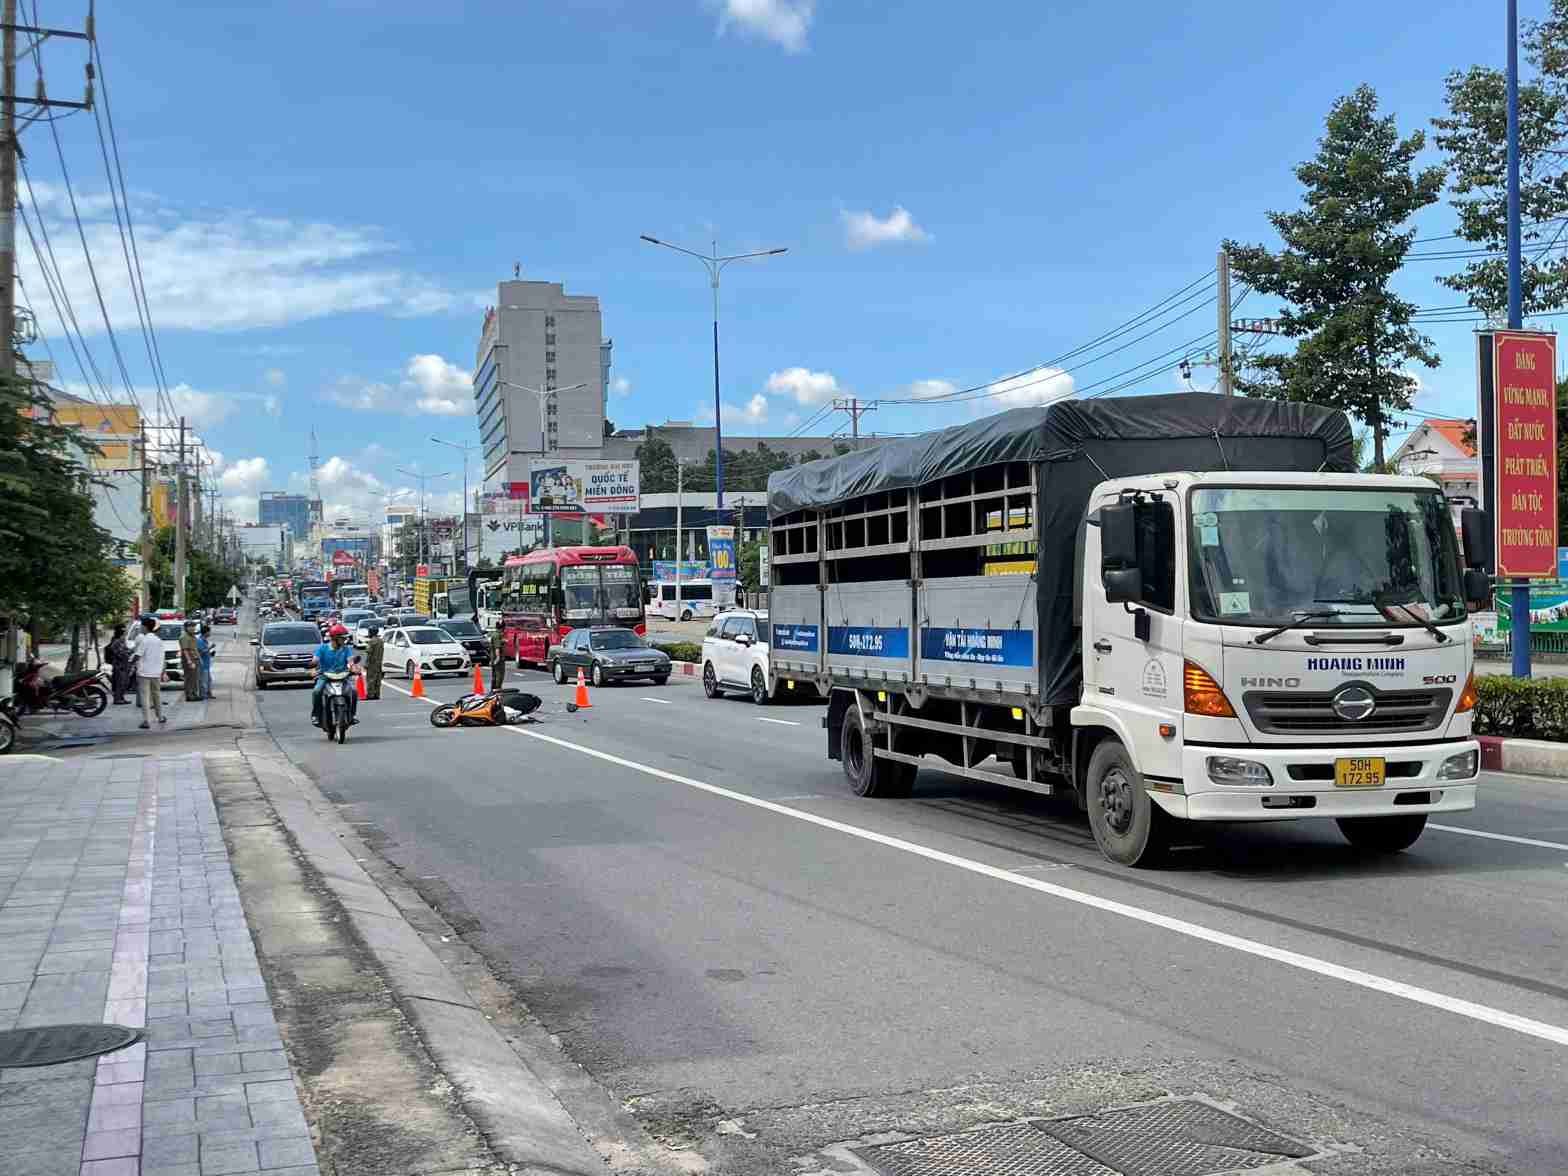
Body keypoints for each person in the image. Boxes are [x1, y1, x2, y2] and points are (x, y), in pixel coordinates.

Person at [310, 623, 362, 727]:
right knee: (316, 691)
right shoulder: (322, 648)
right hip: (325, 676)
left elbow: (350, 661)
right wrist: (313, 667)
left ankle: (352, 715)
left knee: (354, 691)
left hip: (343, 676)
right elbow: (315, 660)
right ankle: (315, 715)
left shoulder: (345, 649)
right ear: (335, 638)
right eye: (342, 638)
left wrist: (354, 668)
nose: (344, 640)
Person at [130, 616, 167, 729]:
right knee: (157, 695)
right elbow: (162, 658)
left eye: (142, 626)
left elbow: (138, 655)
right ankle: (160, 717)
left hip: (144, 673)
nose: (141, 628)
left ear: (145, 627)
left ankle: (146, 721)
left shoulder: (145, 640)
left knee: (145, 697)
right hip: (156, 672)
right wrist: (162, 671)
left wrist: (131, 663)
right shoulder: (159, 640)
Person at [105, 623, 134, 705]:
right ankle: (117, 699)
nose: (125, 631)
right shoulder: (117, 640)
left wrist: (130, 651)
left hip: (123, 664)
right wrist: (128, 653)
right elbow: (119, 652)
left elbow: (124, 649)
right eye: (124, 629)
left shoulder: (120, 639)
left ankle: (121, 697)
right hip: (119, 665)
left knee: (124, 682)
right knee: (119, 682)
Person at [179, 620, 201, 701]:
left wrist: (199, 659)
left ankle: (194, 694)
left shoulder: (192, 636)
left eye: (193, 626)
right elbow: (185, 650)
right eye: (190, 627)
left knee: (194, 678)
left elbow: (195, 649)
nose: (192, 628)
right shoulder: (184, 637)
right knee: (189, 678)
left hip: (195, 658)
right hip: (189, 660)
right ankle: (189, 695)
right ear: (185, 628)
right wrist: (189, 661)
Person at [363, 625, 384, 700]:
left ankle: (370, 695)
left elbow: (369, 653)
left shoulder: (371, 641)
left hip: (372, 663)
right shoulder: (381, 641)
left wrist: (366, 663)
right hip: (379, 662)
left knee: (370, 679)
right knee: (378, 679)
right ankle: (377, 694)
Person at [198, 623, 215, 700]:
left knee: (208, 680)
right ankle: (203, 695)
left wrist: (210, 653)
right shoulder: (200, 641)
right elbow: (200, 652)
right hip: (203, 664)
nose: (210, 633)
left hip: (206, 664)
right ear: (206, 632)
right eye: (209, 632)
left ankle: (208, 693)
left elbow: (205, 651)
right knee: (204, 681)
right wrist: (210, 648)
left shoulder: (205, 641)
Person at [489, 620, 506, 693]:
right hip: (498, 659)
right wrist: (498, 658)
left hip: (494, 658)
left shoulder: (494, 634)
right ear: (502, 627)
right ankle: (497, 689)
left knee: (495, 675)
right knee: (499, 675)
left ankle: (493, 690)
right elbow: (497, 648)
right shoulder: (497, 635)